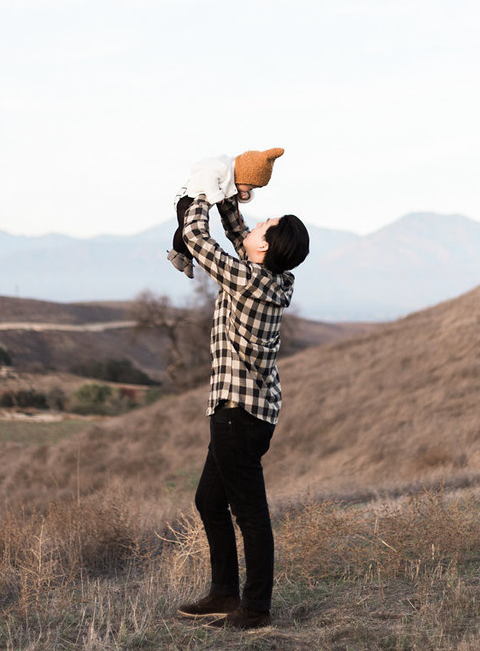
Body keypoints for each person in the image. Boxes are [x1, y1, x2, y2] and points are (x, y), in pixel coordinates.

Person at [176, 174, 310, 631]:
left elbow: (197, 238)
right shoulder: (272, 278)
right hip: (250, 412)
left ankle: (253, 609)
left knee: (249, 514)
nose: (253, 227)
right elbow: (238, 235)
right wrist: (228, 196)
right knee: (209, 502)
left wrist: (199, 193)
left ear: (263, 250)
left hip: (237, 413)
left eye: (262, 226)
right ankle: (223, 593)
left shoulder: (249, 281)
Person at [167, 148, 284, 278]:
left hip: (201, 202)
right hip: (187, 197)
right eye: (250, 187)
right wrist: (216, 196)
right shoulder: (221, 168)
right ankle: (176, 253)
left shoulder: (235, 176)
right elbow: (208, 177)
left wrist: (244, 195)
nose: (250, 191)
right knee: (184, 228)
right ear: (244, 177)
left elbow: (233, 191)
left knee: (198, 231)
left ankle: (188, 259)